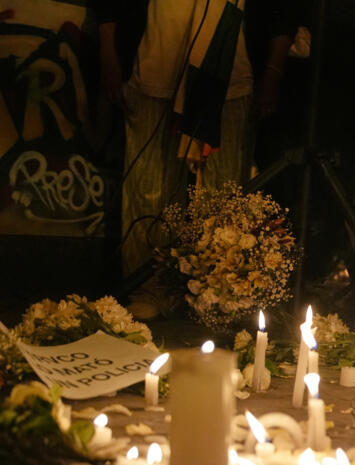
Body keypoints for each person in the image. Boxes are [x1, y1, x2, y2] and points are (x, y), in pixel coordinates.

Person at [93, 0, 298, 318]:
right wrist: (109, 56)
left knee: (224, 196)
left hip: (230, 78)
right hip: (154, 70)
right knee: (149, 190)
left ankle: (219, 296)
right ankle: (150, 291)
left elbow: (284, 15)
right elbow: (109, 8)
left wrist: (272, 72)